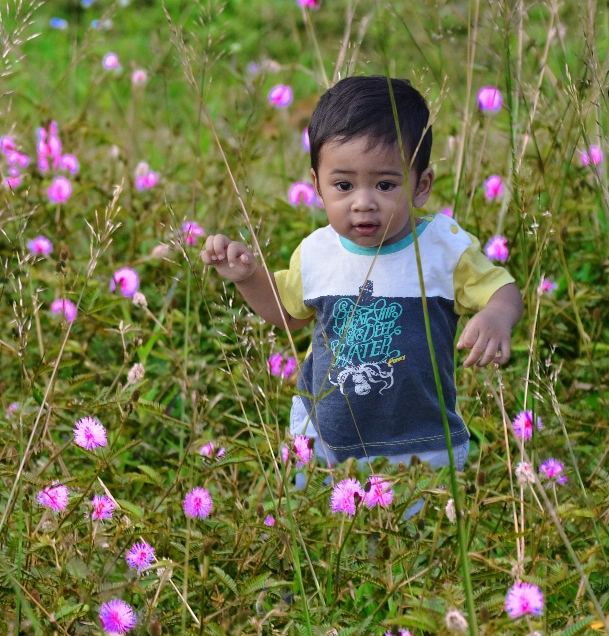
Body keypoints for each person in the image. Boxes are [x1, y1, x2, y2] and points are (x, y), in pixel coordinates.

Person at [200, 75, 523, 484]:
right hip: (323, 440)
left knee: (416, 540)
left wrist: (496, 315)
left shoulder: (444, 249)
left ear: (421, 186)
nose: (364, 202)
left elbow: (503, 289)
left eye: (386, 184)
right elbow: (289, 313)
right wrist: (248, 277)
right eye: (344, 185)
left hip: (421, 442)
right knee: (324, 534)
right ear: (317, 185)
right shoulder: (318, 251)